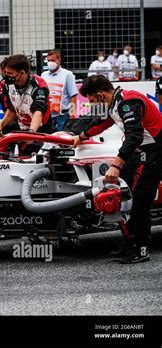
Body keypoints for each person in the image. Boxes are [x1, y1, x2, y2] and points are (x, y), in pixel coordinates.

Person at [73, 75, 162, 264]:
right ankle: (130, 242)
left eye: (90, 99)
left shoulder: (128, 101)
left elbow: (134, 136)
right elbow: (101, 122)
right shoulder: (114, 103)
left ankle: (142, 247)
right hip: (141, 150)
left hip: (155, 150)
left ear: (99, 94)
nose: (91, 103)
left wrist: (115, 165)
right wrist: (81, 136)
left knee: (139, 199)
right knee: (123, 196)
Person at [0, 54, 51, 137]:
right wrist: (1, 125)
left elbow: (38, 113)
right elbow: (12, 110)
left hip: (40, 129)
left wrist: (32, 132)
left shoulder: (39, 86)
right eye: (6, 73)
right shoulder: (6, 85)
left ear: (22, 73)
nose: (7, 76)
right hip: (22, 128)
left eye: (10, 73)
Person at [41, 50, 78, 132]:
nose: (50, 62)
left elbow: (73, 96)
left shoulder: (67, 74)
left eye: (53, 60)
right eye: (48, 60)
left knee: (62, 141)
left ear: (59, 61)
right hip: (48, 115)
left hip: (63, 115)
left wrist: (72, 115)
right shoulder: (43, 75)